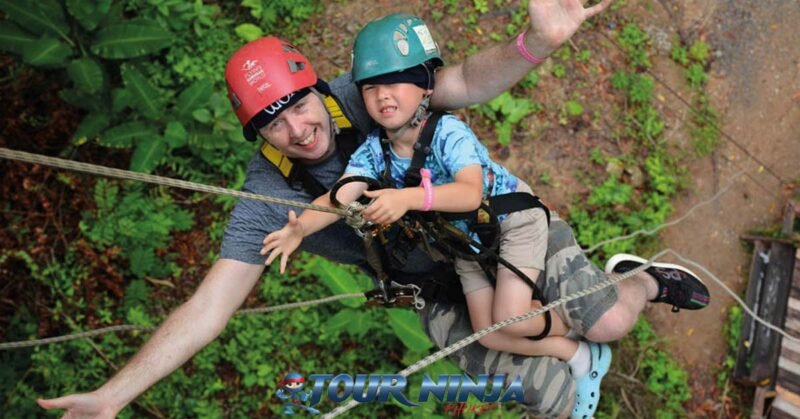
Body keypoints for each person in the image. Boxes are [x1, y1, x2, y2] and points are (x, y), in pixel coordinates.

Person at [36, 1, 710, 418]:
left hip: (497, 226)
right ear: (256, 136)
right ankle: (565, 340)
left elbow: (463, 82)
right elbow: (209, 307)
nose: (298, 130)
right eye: (273, 125)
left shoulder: (366, 95)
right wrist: (115, 394)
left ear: (314, 86)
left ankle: (642, 277)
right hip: (440, 285)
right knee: (556, 402)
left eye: (298, 105)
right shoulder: (264, 198)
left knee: (613, 318)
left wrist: (534, 44)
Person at [259, 13, 612, 417]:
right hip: (465, 245)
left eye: (394, 83)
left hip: (508, 221)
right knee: (490, 334)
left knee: (511, 319)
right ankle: (578, 353)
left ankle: (574, 325)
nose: (382, 96)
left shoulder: (446, 132)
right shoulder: (374, 150)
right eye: (370, 88)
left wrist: (407, 198)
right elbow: (340, 196)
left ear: (426, 85)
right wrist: (300, 228)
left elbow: (468, 193)